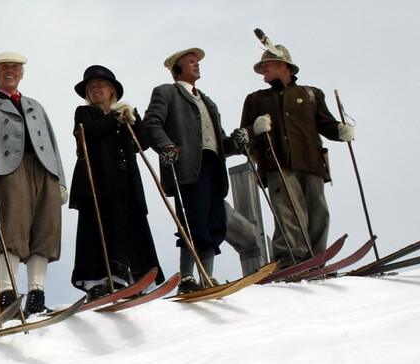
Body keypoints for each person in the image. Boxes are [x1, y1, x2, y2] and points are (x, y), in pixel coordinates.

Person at [0, 52, 67, 316]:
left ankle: (36, 295)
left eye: (15, 68)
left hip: (44, 168)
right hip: (9, 168)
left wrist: (61, 181)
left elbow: (53, 144)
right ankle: (7, 294)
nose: (10, 71)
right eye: (4, 68)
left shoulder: (35, 105)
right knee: (14, 228)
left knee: (46, 229)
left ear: (22, 73)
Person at [238, 43, 354, 268]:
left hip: (311, 163)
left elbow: (326, 124)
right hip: (277, 164)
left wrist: (341, 130)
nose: (263, 70)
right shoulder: (255, 99)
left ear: (283, 65)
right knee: (288, 214)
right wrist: (254, 129)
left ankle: (316, 260)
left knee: (318, 212)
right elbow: (242, 138)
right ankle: (288, 262)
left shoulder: (311, 94)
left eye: (266, 65)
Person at [141, 48, 244, 294]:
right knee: (191, 221)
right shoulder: (166, 92)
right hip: (186, 167)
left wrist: (237, 142)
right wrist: (166, 146)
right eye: (191, 61)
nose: (197, 65)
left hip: (212, 167)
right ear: (177, 68)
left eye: (197, 62)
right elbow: (152, 123)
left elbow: (219, 141)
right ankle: (188, 277)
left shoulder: (209, 102)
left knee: (214, 221)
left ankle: (207, 276)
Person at [69, 65, 164, 299]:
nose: (95, 89)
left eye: (100, 85)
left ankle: (136, 277)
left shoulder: (123, 116)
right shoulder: (85, 113)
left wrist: (133, 119)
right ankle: (101, 281)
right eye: (91, 87)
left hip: (125, 182)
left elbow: (142, 143)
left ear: (112, 90)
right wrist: (115, 116)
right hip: (97, 183)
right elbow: (92, 131)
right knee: (100, 228)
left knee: (129, 227)